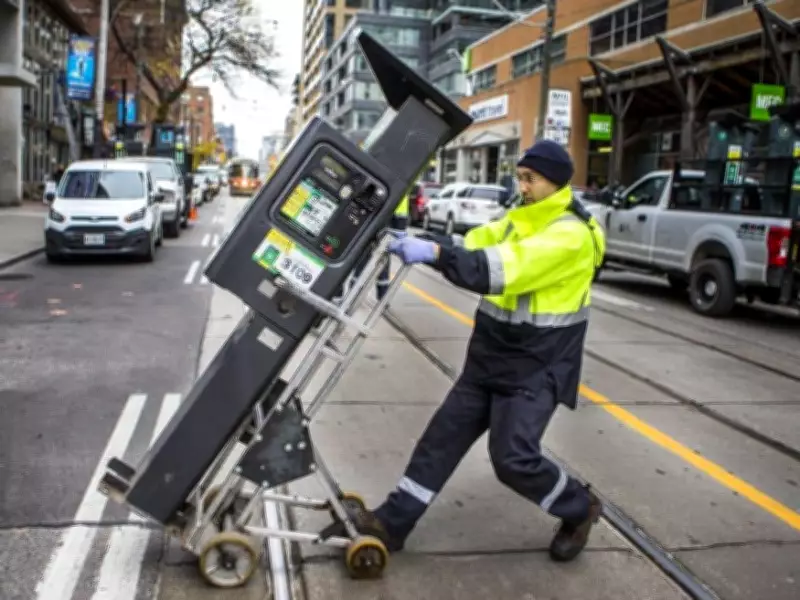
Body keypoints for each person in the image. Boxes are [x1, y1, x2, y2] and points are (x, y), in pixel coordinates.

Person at [322, 140, 607, 562]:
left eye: (531, 179)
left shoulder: (570, 236)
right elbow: (475, 242)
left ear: (556, 183)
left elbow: (495, 270)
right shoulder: (519, 220)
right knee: (441, 439)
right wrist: (423, 238)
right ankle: (393, 524)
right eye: (521, 176)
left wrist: (435, 254)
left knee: (512, 459)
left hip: (536, 367)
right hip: (489, 359)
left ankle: (579, 509)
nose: (522, 186)